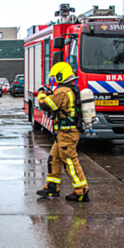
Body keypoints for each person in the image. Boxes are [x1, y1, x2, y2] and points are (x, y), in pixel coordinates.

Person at [36, 62, 90, 202]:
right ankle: (52, 187)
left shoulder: (63, 91)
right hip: (64, 134)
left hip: (67, 134)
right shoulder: (71, 90)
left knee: (70, 162)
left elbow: (46, 105)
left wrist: (41, 94)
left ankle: (81, 191)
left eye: (56, 76)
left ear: (61, 75)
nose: (55, 79)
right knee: (54, 159)